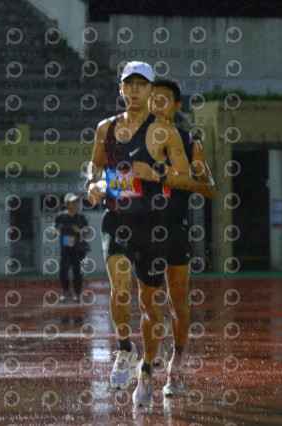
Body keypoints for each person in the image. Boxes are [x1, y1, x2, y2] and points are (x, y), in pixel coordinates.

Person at [85, 61, 192, 407]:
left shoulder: (165, 132)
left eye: (141, 84)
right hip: (116, 219)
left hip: (152, 224)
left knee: (148, 303)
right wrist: (92, 185)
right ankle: (123, 348)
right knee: (119, 288)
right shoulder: (106, 128)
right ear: (120, 89)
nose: (134, 90)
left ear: (150, 91)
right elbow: (95, 167)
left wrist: (154, 172)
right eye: (128, 84)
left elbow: (185, 176)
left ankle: (146, 369)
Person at [132, 76, 216, 397]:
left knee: (177, 303)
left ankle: (176, 366)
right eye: (152, 98)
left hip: (176, 232)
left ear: (176, 106)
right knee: (148, 306)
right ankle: (146, 370)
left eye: (163, 99)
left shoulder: (189, 141)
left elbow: (209, 188)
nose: (156, 104)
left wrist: (180, 174)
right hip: (144, 233)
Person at [53, 193, 89, 302]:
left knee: (77, 272)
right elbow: (54, 226)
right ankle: (65, 292)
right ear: (66, 204)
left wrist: (79, 230)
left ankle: (77, 293)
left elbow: (86, 230)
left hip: (78, 250)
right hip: (66, 250)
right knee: (63, 271)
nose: (75, 204)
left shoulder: (81, 217)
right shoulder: (61, 216)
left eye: (76, 202)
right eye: (72, 202)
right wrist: (55, 231)